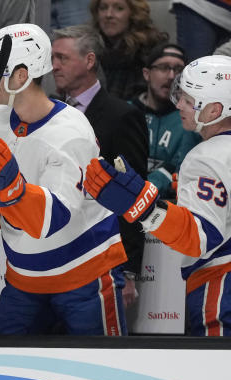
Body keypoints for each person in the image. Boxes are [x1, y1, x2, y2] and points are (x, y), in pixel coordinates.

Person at [0, 23, 128, 335]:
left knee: (98, 375)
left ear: (21, 76)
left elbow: (53, 219)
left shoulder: (70, 132)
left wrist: (12, 190)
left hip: (84, 277)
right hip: (23, 278)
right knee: (8, 375)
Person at [85, 55, 231, 336]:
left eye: (189, 100)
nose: (179, 105)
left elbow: (200, 238)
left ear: (214, 110)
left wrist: (143, 207)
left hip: (220, 286)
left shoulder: (206, 157)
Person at [51, 24, 149, 307]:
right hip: (50, 254)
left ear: (90, 61)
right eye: (53, 58)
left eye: (63, 58)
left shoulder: (123, 116)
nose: (54, 66)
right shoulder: (48, 111)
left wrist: (128, 269)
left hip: (101, 257)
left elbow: (133, 193)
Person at [131, 43, 200, 201]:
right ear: (146, 73)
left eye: (178, 70)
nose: (171, 76)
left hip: (169, 205)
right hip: (127, 200)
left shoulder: (192, 118)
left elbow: (182, 169)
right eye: (163, 67)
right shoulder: (126, 112)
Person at [89, 0, 167, 100]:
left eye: (119, 8)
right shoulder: (90, 48)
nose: (108, 15)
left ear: (133, 13)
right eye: (103, 8)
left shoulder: (150, 49)